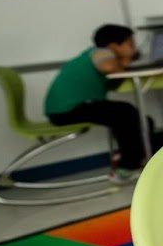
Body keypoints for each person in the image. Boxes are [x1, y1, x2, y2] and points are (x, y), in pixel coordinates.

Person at [44, 23, 152, 178]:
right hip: (66, 110)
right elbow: (108, 67)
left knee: (139, 119)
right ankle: (127, 168)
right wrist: (125, 61)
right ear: (114, 46)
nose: (134, 47)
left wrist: (125, 62)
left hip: (69, 108)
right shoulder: (101, 52)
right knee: (125, 113)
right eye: (130, 44)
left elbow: (113, 82)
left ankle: (129, 157)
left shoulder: (95, 54)